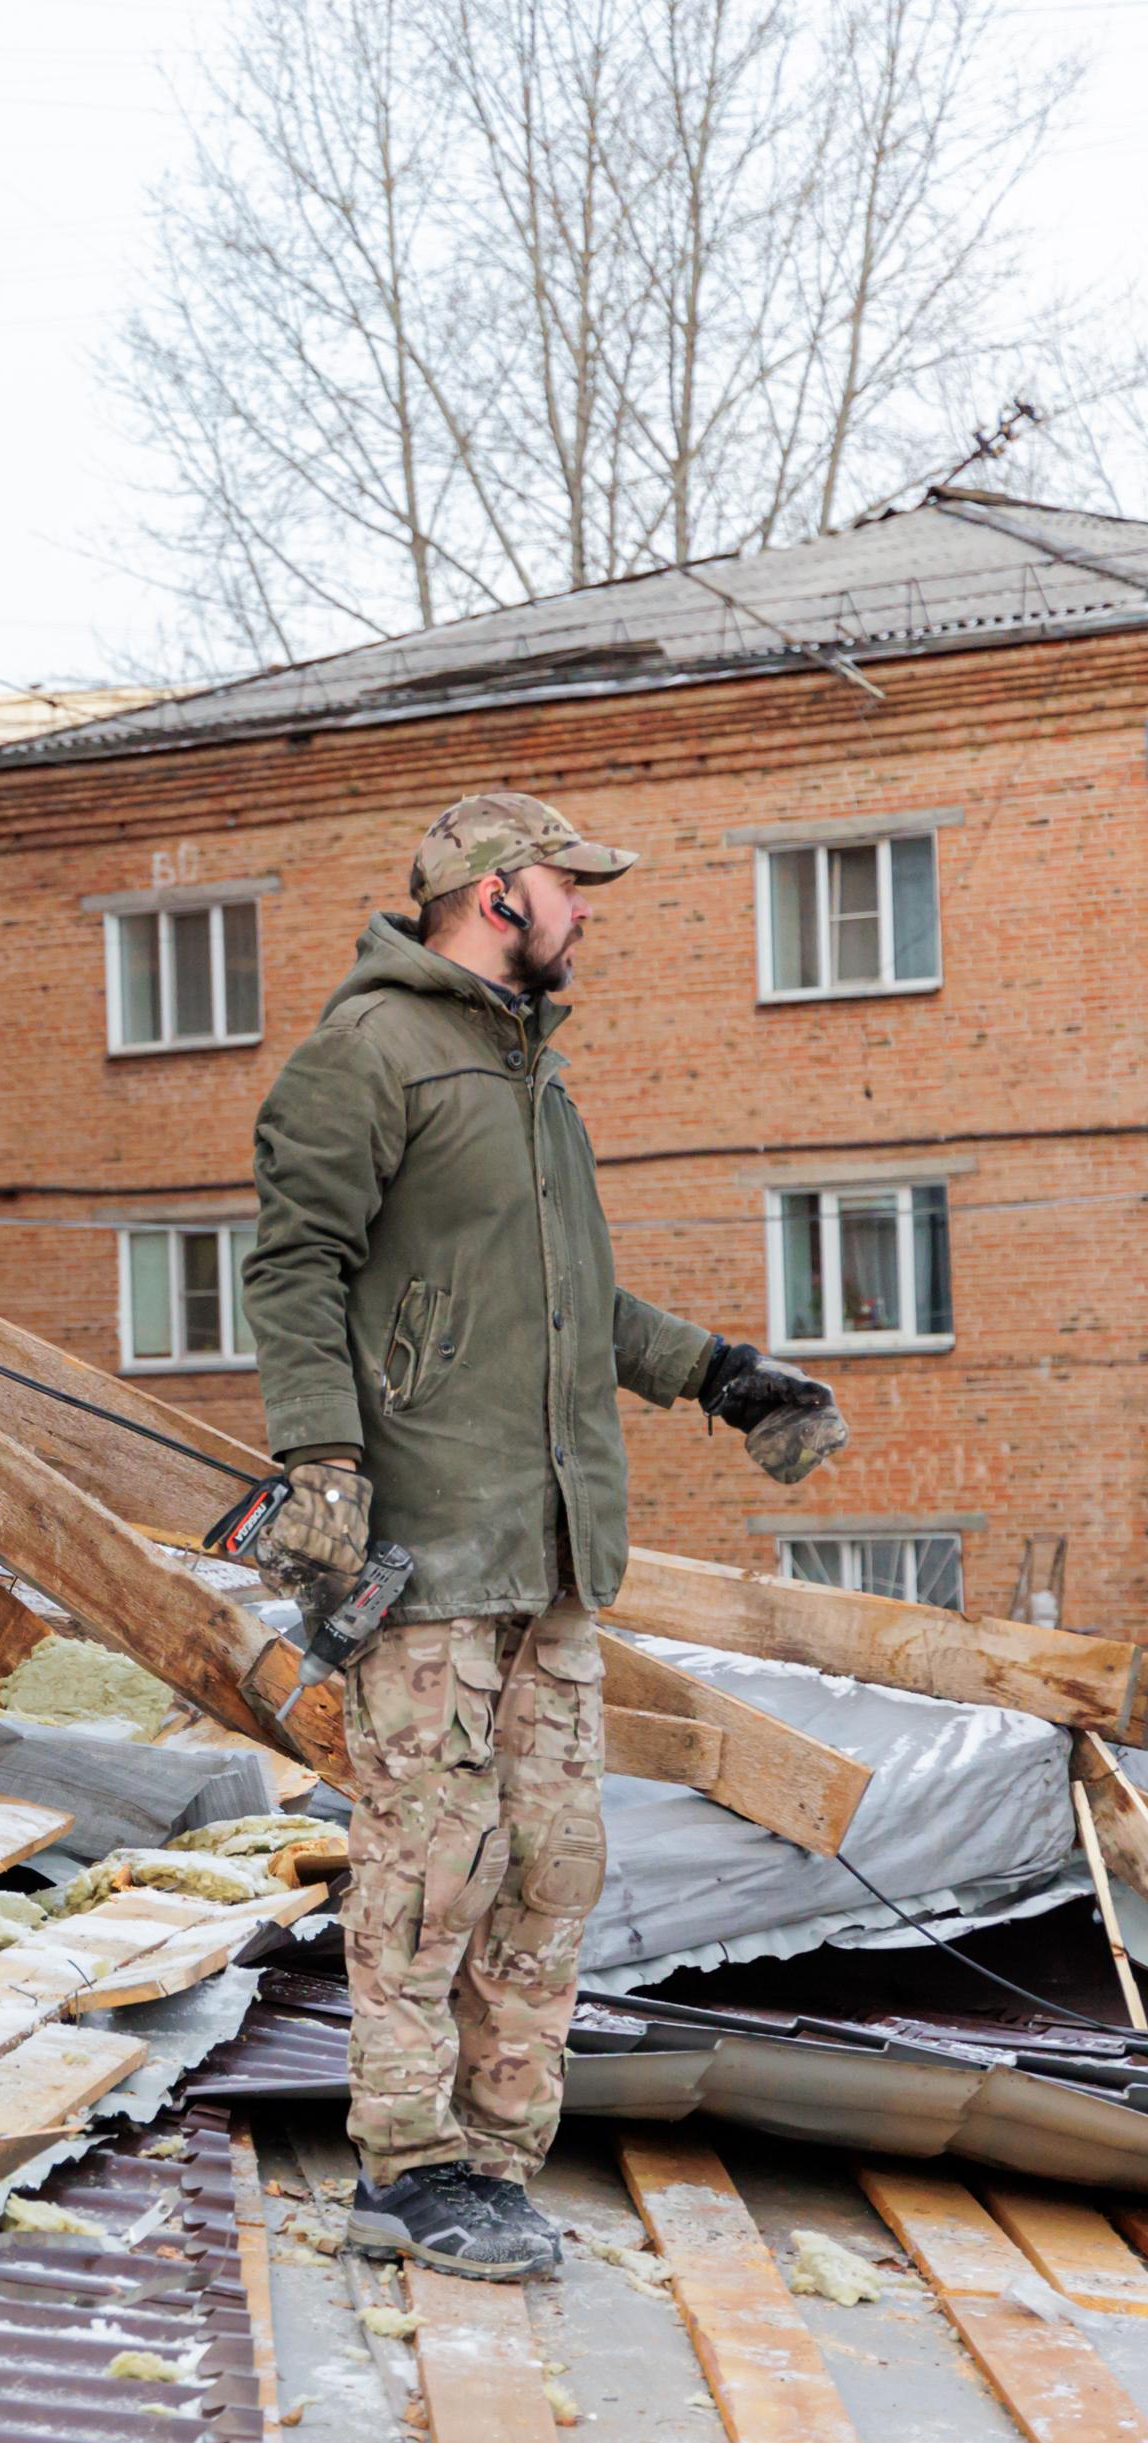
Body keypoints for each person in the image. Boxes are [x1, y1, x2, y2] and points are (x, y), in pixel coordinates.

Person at [243, 792, 849, 2281]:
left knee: (555, 1862)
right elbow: (294, 1268)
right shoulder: (369, 1055)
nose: (591, 911)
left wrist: (723, 1375)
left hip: (554, 1553)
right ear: (498, 895)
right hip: (435, 1550)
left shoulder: (530, 1079)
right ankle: (405, 2162)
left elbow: (578, 1308)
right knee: (426, 1863)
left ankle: (499, 2161)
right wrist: (320, 1460)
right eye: (572, 887)